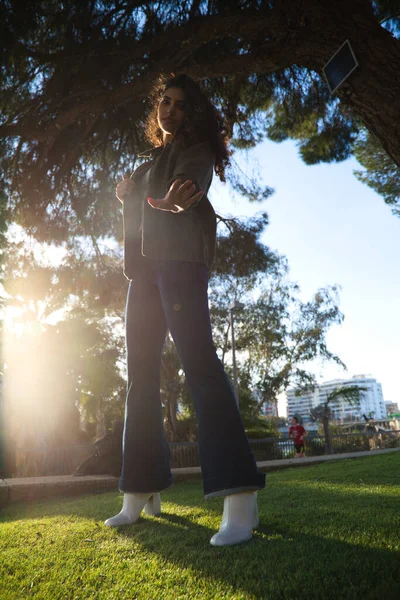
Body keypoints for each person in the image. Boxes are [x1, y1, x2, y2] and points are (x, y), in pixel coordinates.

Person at [104, 74, 265, 546]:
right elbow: (139, 214)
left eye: (180, 105)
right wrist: (125, 197)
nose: (170, 110)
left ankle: (241, 496)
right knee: (139, 376)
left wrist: (178, 200)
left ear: (192, 113)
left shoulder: (194, 151)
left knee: (200, 367)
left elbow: (191, 182)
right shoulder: (145, 162)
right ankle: (140, 488)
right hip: (144, 273)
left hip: (180, 267)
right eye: (165, 102)